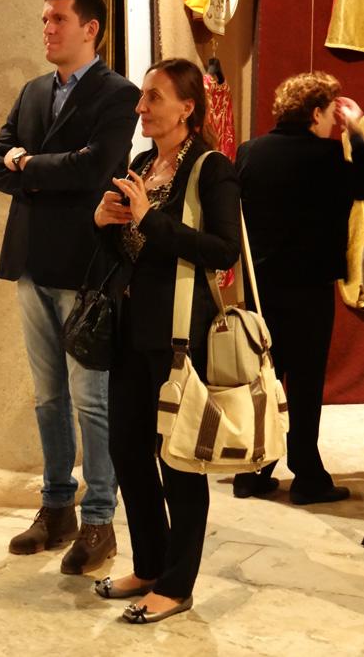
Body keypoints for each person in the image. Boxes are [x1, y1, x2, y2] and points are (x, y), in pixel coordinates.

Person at [0, 0, 140, 575]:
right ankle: (56, 508)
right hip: (31, 259)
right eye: (44, 19)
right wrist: (40, 167)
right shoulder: (32, 91)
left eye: (57, 19)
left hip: (85, 262)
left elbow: (94, 169)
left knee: (90, 400)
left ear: (90, 28)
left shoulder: (118, 93)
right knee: (48, 397)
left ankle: (99, 519)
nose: (47, 28)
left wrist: (27, 163)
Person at [93, 58, 241, 623]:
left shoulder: (211, 168)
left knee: (178, 460)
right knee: (127, 452)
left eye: (154, 97)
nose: (141, 107)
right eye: (142, 96)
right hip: (130, 330)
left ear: (187, 107)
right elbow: (129, 253)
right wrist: (104, 223)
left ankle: (177, 586)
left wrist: (148, 219)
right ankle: (150, 566)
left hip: (181, 335)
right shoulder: (139, 165)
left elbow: (223, 250)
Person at [233, 71, 364, 504]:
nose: (331, 122)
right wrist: (357, 131)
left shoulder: (250, 152)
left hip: (261, 289)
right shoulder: (329, 157)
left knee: (263, 380)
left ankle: (253, 472)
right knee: (304, 386)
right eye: (329, 114)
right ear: (316, 113)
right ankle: (308, 477)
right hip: (309, 289)